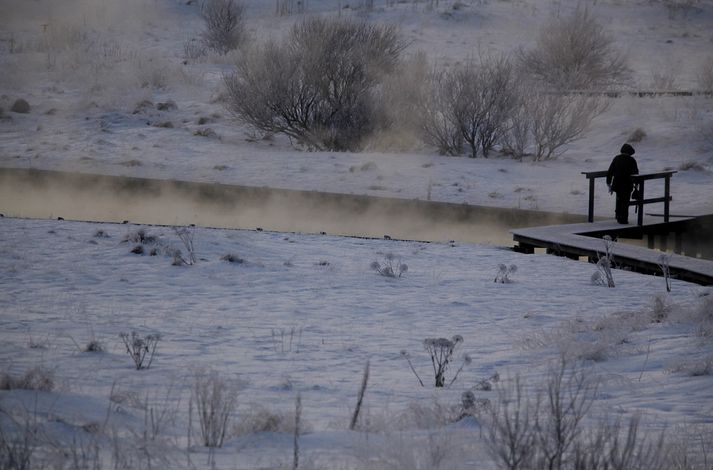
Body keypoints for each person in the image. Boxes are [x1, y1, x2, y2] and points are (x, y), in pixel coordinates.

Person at [606, 143, 639, 224]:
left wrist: (608, 182)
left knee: (619, 199)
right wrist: (636, 183)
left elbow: (610, 171)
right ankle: (623, 218)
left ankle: (618, 215)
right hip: (627, 184)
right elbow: (635, 173)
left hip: (617, 183)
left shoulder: (616, 158)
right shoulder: (631, 160)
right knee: (625, 201)